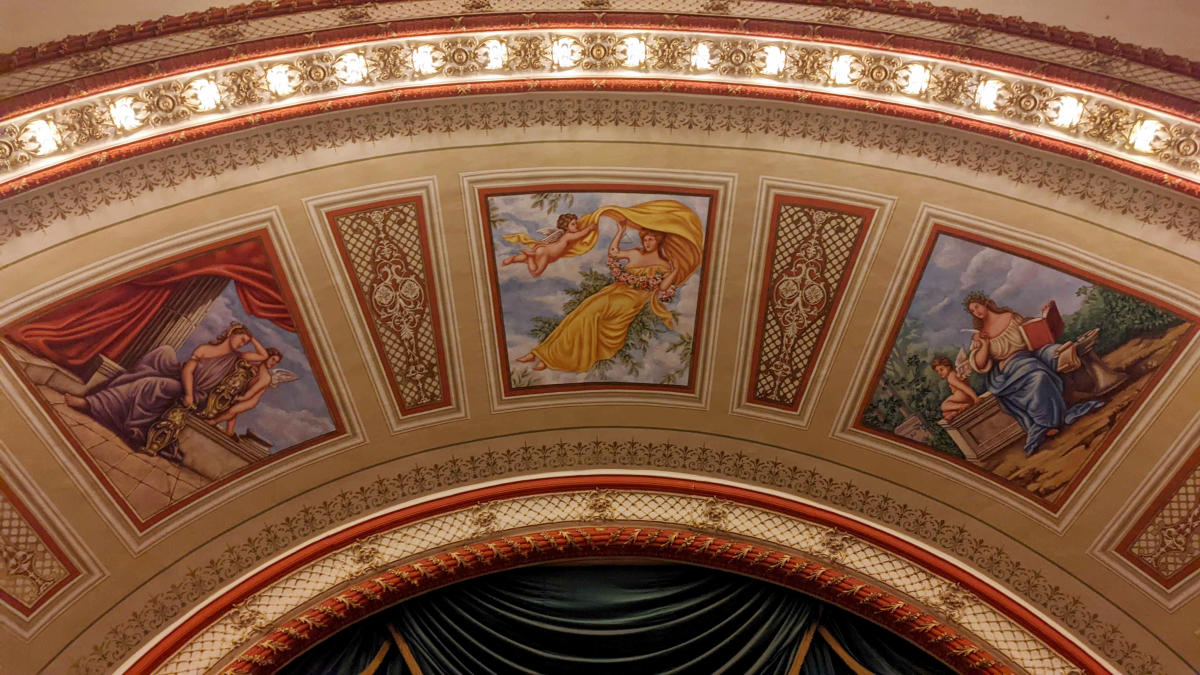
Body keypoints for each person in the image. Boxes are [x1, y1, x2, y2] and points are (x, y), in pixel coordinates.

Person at [515, 200, 703, 373]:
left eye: (650, 239)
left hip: (629, 302)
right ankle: (541, 354)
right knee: (579, 312)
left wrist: (674, 271)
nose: (646, 242)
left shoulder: (664, 264)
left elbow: (662, 287)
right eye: (645, 239)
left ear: (659, 240)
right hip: (614, 291)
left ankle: (553, 358)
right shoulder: (636, 253)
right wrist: (620, 232)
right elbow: (614, 253)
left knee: (590, 314)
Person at [64, 322, 272, 449]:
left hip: (197, 394)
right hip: (185, 382)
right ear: (231, 333)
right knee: (163, 353)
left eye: (245, 342)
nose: (243, 343)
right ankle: (105, 405)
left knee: (151, 384)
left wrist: (252, 338)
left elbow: (263, 356)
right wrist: (187, 391)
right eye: (242, 338)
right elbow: (187, 370)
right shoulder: (206, 349)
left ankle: (90, 404)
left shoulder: (238, 357)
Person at [964, 292, 1103, 455]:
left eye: (977, 307)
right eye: (973, 311)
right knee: (1038, 376)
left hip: (1031, 354)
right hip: (1011, 367)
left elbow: (1030, 332)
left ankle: (1087, 386)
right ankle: (1048, 421)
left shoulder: (1010, 317)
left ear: (985, 303)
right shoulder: (981, 334)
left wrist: (1044, 318)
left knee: (1058, 352)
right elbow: (979, 364)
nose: (977, 312)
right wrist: (984, 344)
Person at [207, 348, 290, 436]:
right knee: (233, 413)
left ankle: (213, 422)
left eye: (276, 362)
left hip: (250, 400)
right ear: (267, 356)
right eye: (273, 359)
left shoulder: (266, 377)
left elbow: (251, 392)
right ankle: (229, 432)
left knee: (231, 411)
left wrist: (240, 397)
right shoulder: (253, 366)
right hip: (242, 394)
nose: (273, 363)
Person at [501, 213, 598, 278]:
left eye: (576, 223)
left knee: (527, 259)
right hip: (546, 254)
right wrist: (590, 228)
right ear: (565, 226)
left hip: (542, 250)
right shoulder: (568, 236)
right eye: (573, 224)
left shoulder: (561, 235)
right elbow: (580, 234)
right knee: (535, 273)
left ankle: (513, 259)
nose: (576, 226)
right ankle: (530, 256)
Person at [931, 355, 978, 420]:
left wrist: (975, 398)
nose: (939, 373)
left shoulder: (951, 377)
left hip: (962, 397)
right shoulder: (955, 373)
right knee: (945, 414)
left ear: (948, 366)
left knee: (944, 406)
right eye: (937, 371)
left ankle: (964, 406)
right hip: (966, 398)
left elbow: (964, 387)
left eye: (941, 369)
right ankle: (959, 410)